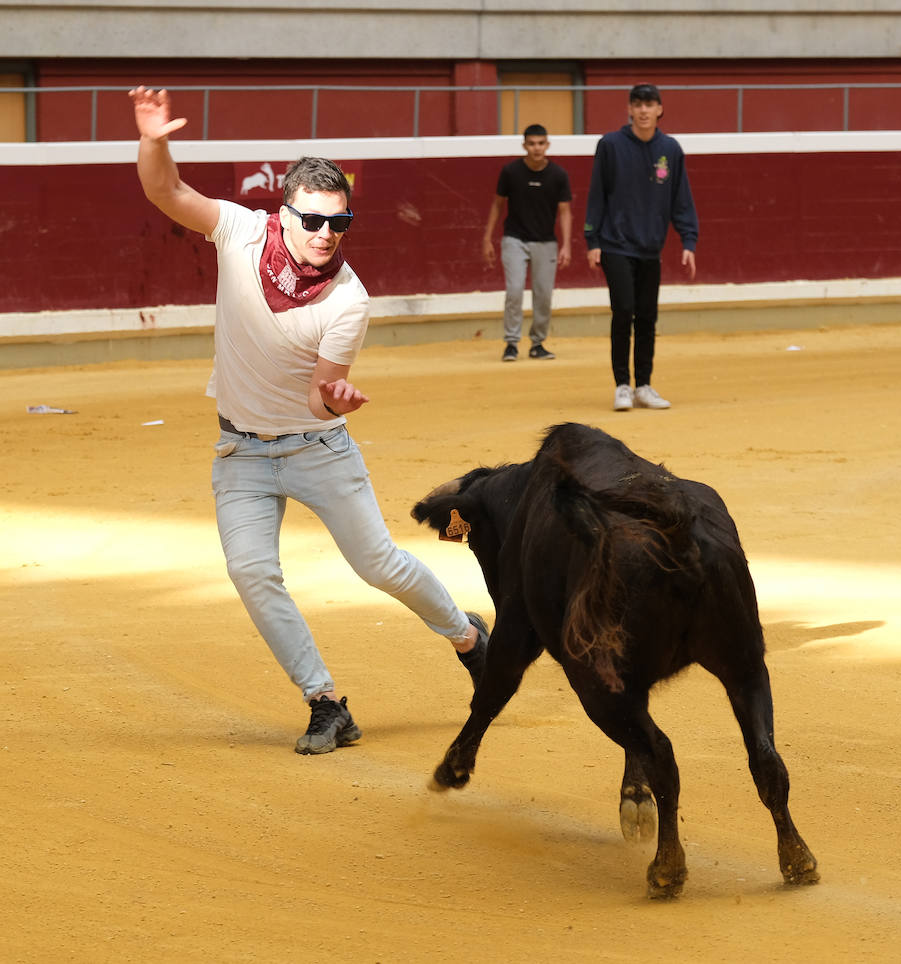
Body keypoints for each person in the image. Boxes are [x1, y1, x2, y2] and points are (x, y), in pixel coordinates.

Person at [129, 86, 488, 755]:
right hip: (241, 454)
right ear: (284, 212)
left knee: (377, 563)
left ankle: (468, 636)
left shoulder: (348, 300)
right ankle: (325, 702)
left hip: (318, 448)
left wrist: (337, 401)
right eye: (314, 221)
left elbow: (321, 396)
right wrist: (154, 141)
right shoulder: (239, 231)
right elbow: (167, 193)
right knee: (251, 572)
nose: (327, 235)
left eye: (339, 224)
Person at [584, 83, 699, 411]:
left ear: (660, 109)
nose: (644, 110)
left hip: (651, 246)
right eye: (638, 104)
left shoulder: (670, 150)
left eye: (650, 104)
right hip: (615, 243)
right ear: (630, 110)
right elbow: (597, 194)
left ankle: (643, 385)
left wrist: (688, 239)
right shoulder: (610, 145)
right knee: (623, 310)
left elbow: (681, 198)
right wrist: (592, 239)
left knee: (647, 316)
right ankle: (622, 385)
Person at [481, 123, 573, 362]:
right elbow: (496, 205)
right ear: (524, 146)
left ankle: (537, 343)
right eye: (532, 143)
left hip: (546, 242)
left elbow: (565, 212)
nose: (536, 148)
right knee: (514, 291)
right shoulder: (511, 172)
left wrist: (566, 245)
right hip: (515, 239)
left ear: (547, 145)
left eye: (541, 143)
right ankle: (511, 343)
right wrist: (487, 238)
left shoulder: (558, 175)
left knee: (543, 294)